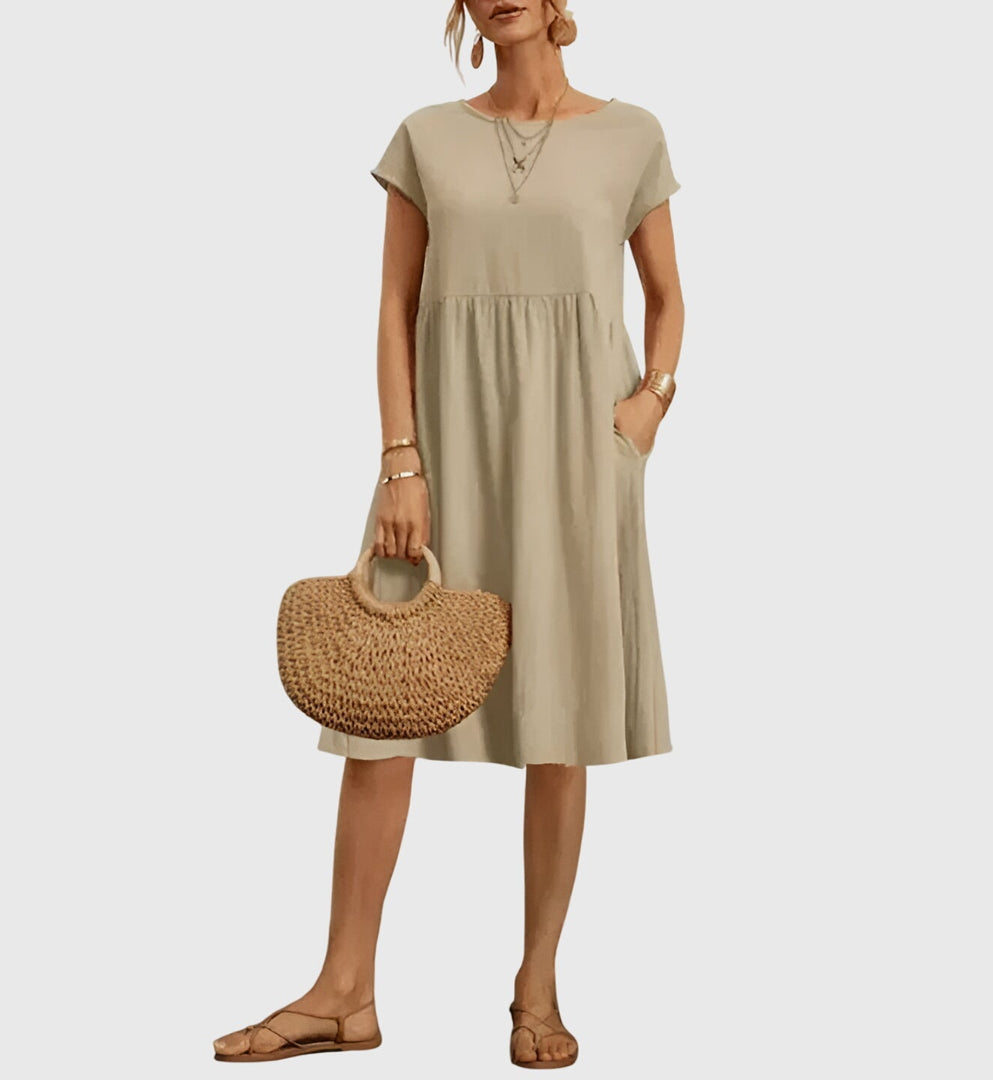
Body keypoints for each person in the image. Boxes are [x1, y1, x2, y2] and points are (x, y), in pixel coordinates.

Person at [212, 0, 684, 1068]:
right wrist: (401, 460)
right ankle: (344, 992)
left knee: (560, 720)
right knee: (379, 708)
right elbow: (394, 304)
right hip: (440, 447)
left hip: (578, 454)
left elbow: (668, 298)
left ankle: (537, 985)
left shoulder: (633, 135)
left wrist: (649, 406)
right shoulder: (426, 135)